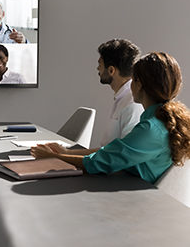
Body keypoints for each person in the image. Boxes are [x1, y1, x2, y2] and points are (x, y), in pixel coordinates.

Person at [31, 52, 190, 184]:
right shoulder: (159, 121)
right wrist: (66, 152)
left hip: (135, 200)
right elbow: (115, 151)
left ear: (139, 84)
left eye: (133, 79)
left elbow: (99, 163)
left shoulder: (151, 129)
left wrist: (54, 157)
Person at [96, 39, 144, 147]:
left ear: (111, 70)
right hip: (103, 159)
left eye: (100, 64)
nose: (97, 68)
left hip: (109, 162)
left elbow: (123, 153)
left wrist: (66, 154)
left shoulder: (133, 103)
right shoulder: (123, 97)